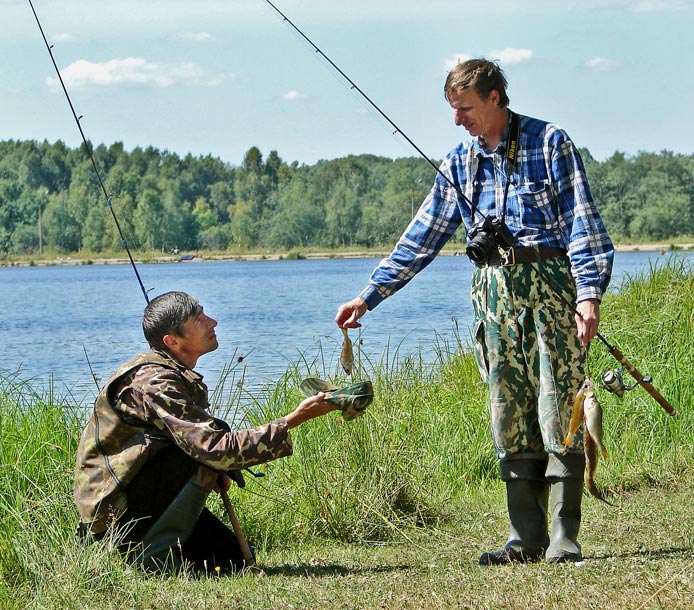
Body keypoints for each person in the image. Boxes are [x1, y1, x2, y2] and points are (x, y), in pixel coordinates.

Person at [335, 58, 614, 565]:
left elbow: (583, 224)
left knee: (560, 412)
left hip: (552, 291)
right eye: (452, 110)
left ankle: (562, 539)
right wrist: (368, 296)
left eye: (464, 109)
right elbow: (421, 238)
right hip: (493, 297)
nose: (457, 120)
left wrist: (588, 294)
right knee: (507, 417)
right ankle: (523, 539)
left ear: (494, 99)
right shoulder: (458, 162)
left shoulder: (551, 143)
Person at [74, 291, 339, 574]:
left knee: (230, 561)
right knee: (208, 446)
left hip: (141, 493)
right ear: (172, 341)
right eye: (199, 319)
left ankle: (156, 555)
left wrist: (211, 469)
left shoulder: (172, 371)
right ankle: (138, 558)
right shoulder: (155, 381)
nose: (213, 322)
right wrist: (294, 419)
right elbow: (216, 448)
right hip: (116, 512)